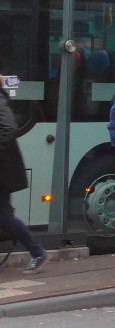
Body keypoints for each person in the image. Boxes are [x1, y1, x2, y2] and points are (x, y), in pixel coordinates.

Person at [0, 79, 47, 274]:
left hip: (3, 168)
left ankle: (37, 252)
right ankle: (37, 252)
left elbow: (8, 127)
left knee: (4, 216)